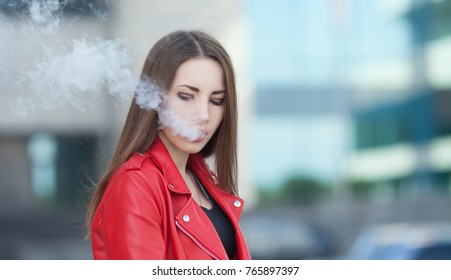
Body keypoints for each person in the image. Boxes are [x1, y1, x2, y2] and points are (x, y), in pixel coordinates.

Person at [85, 30, 251, 260]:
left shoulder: (205, 180)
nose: (204, 114)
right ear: (155, 99)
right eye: (186, 96)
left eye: (216, 101)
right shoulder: (136, 183)